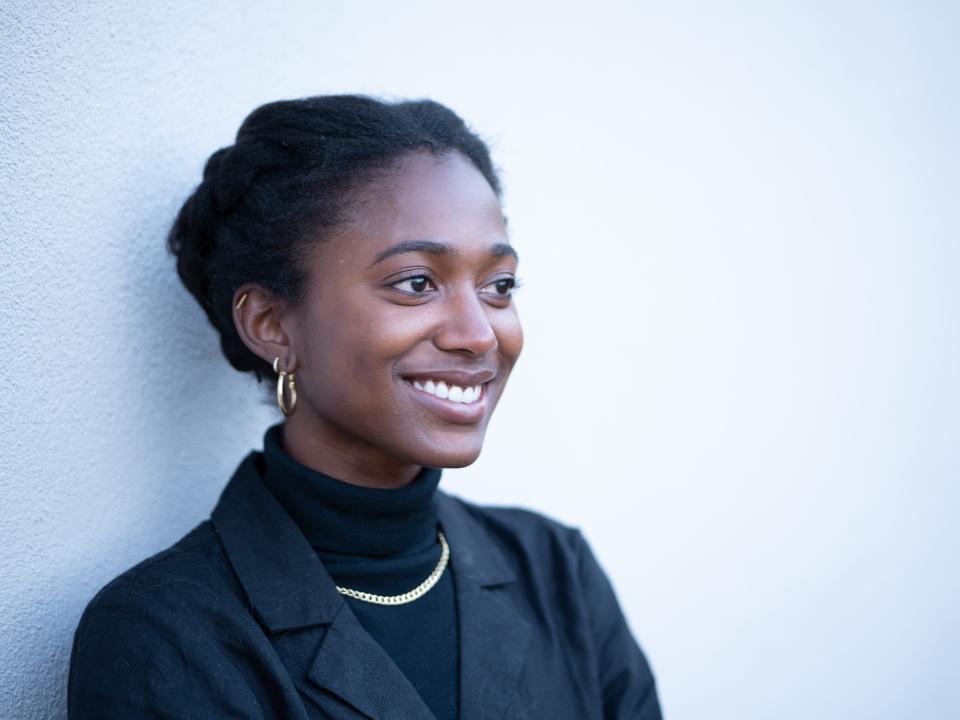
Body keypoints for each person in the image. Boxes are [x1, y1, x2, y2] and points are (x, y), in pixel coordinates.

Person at [68, 95, 662, 719]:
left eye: (499, 286)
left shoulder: (554, 572)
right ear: (272, 323)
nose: (480, 334)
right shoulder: (164, 635)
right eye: (416, 282)